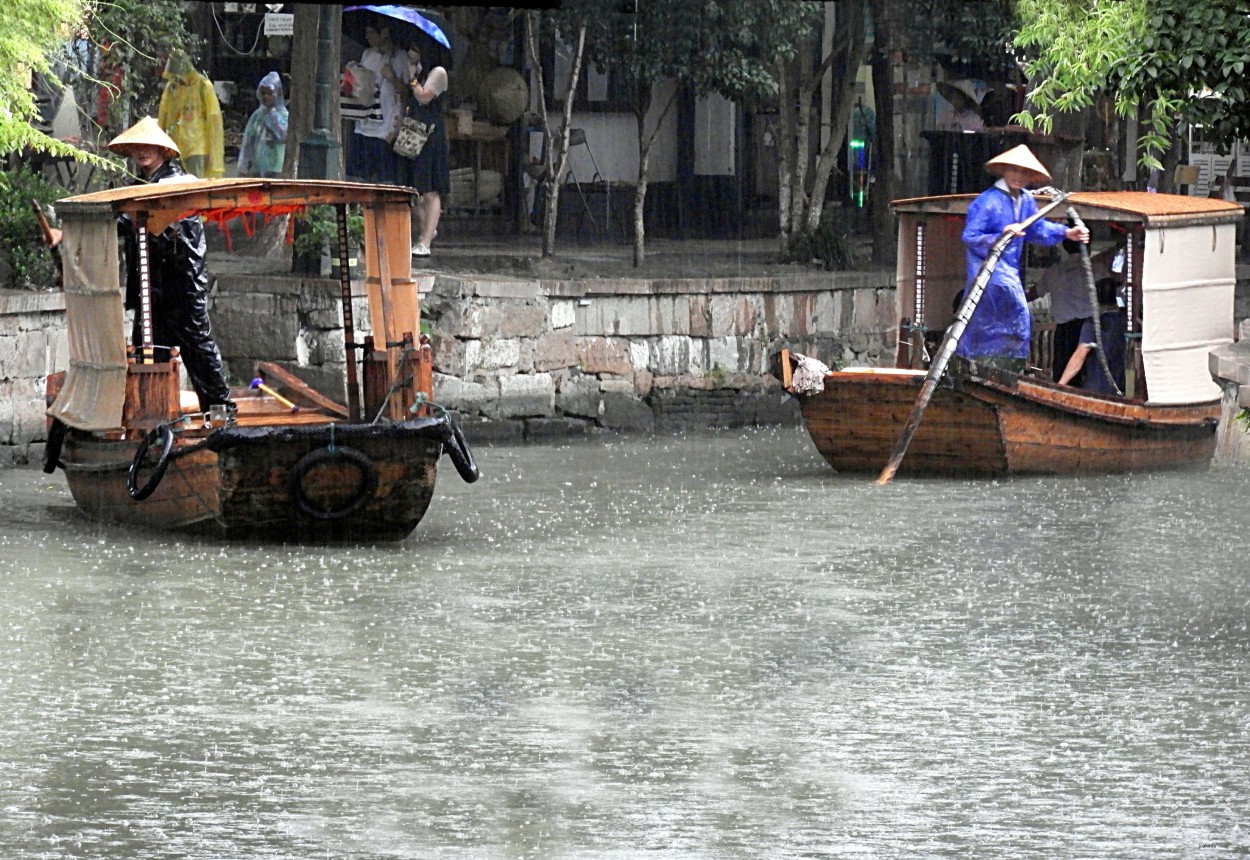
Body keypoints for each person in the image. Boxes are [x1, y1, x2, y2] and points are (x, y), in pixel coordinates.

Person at [107, 116, 233, 412]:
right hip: (153, 288)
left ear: (163, 151)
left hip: (183, 283)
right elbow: (125, 223)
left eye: (149, 146)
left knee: (197, 348)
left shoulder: (177, 183)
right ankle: (151, 415)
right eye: (138, 146)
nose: (143, 151)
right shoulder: (141, 184)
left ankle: (221, 409)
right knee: (147, 352)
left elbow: (140, 220)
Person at [958, 144, 1088, 370]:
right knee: (995, 317)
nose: (1018, 176)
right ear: (1005, 170)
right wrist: (1001, 235)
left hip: (1010, 272)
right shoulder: (987, 201)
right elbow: (971, 237)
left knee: (1019, 319)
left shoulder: (1026, 200)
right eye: (1014, 171)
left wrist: (1066, 232)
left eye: (1024, 172)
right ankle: (977, 365)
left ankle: (1011, 368)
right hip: (987, 272)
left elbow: (1037, 229)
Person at [1036, 236, 1122, 384]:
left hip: (1064, 334)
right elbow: (1116, 282)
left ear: (1065, 247)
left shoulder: (1053, 272)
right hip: (1091, 327)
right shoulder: (1096, 268)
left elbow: (1033, 294)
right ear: (1088, 247)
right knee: (1091, 376)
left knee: (1063, 375)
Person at [397, 40, 450, 257]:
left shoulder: (438, 72)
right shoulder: (420, 71)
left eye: (417, 48)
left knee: (430, 189)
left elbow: (424, 96)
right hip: (414, 132)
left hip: (430, 135)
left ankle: (425, 241)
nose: (412, 52)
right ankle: (428, 226)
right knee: (413, 188)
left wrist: (411, 77)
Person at [346, 22, 409, 185]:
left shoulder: (400, 57)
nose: (368, 37)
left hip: (384, 128)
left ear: (384, 33)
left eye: (371, 33)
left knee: (386, 179)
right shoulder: (367, 54)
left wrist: (392, 76)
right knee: (359, 178)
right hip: (363, 123)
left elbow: (406, 91)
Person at [157, 49, 225, 179]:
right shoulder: (172, 87)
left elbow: (213, 119)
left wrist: (213, 150)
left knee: (195, 184)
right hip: (175, 145)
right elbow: (163, 115)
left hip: (197, 146)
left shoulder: (203, 86)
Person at [1057, 277, 1126, 395]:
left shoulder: (1093, 324)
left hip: (1096, 390)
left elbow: (1079, 356)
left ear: (1097, 300)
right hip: (1121, 389)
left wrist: (1059, 385)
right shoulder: (1126, 323)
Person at [237, 71, 288, 178]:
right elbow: (248, 141)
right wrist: (243, 166)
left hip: (276, 167)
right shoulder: (257, 116)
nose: (266, 97)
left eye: (270, 93)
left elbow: (283, 135)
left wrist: (272, 116)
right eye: (263, 93)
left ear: (277, 93)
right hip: (257, 168)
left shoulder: (283, 115)